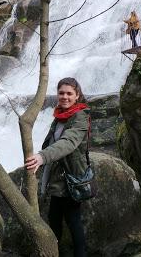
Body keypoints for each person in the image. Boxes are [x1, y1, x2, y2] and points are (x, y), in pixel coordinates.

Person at [25, 77, 90, 257]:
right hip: (57, 178)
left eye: (69, 93)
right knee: (54, 220)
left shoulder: (80, 117)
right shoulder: (60, 116)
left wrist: (42, 157)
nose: (65, 97)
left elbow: (68, 142)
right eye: (61, 93)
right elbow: (51, 143)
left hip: (71, 179)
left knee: (73, 221)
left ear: (77, 95)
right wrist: (39, 158)